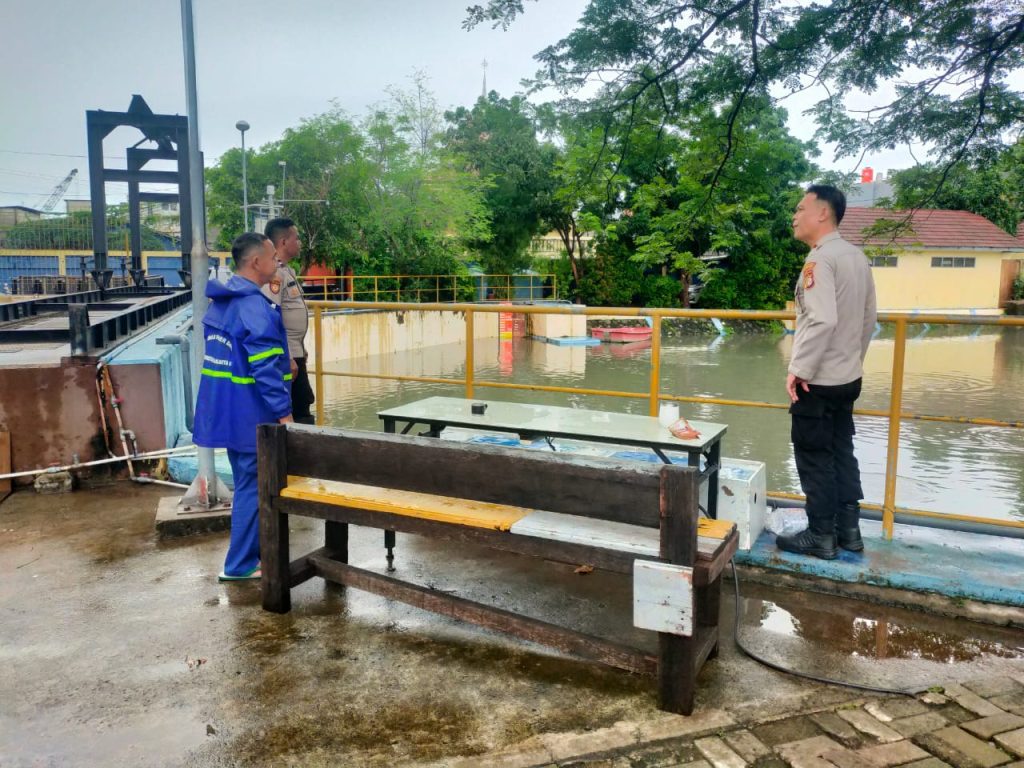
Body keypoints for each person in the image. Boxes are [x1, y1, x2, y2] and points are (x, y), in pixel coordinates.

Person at [778, 184, 877, 560]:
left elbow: (821, 320)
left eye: (801, 208)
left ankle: (820, 535)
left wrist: (799, 369)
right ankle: (848, 531)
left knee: (814, 455)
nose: (795, 215)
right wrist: (852, 359)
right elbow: (869, 319)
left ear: (823, 213)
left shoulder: (819, 261)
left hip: (817, 381)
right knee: (841, 450)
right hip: (848, 377)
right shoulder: (855, 256)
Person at [193, 232, 294, 581]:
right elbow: (264, 368)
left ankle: (248, 557)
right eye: (272, 258)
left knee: (245, 484)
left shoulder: (222, 301)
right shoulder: (253, 306)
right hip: (252, 415)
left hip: (226, 412)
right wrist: (284, 413)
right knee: (253, 486)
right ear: (256, 263)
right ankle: (240, 564)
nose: (276, 262)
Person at [261, 217, 316, 424]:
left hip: (295, 353)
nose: (300, 243)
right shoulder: (275, 274)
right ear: (284, 242)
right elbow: (269, 316)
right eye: (297, 238)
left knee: (302, 403)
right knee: (299, 407)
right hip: (287, 357)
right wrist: (287, 356)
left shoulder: (286, 271)